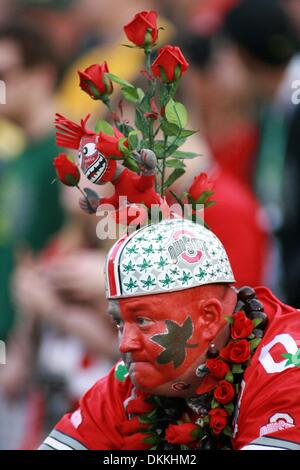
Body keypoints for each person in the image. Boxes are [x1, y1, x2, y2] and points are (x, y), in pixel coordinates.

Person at [38, 217, 300, 450]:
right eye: (119, 323)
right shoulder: (129, 380)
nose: (125, 344)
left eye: (143, 320)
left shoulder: (287, 365)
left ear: (208, 318)